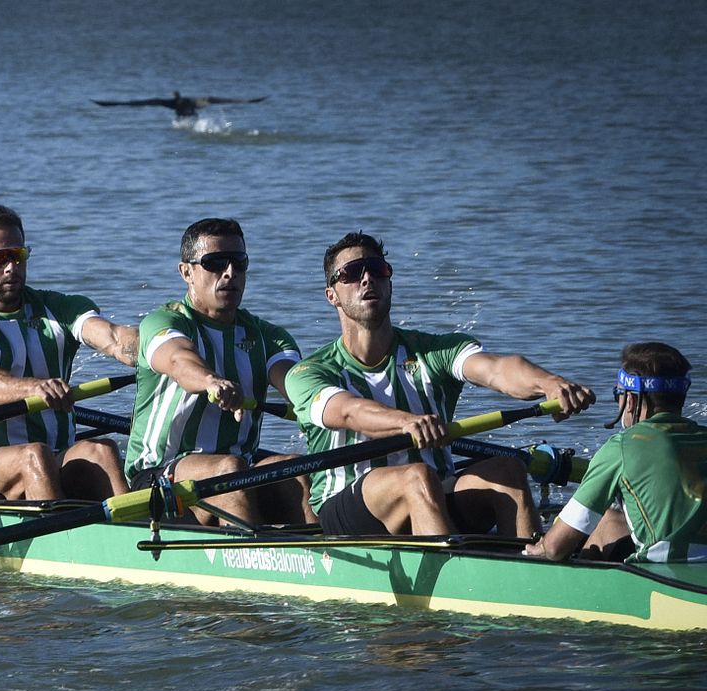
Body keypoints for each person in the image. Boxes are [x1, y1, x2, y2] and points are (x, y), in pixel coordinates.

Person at [286, 231, 595, 537]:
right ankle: (455, 578)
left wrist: (550, 384)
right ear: (332, 296)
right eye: (352, 273)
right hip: (347, 505)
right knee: (416, 477)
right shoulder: (309, 372)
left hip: (431, 491)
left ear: (389, 282)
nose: (367, 279)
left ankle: (530, 571)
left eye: (377, 270)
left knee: (508, 470)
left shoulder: (433, 352)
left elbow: (498, 369)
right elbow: (348, 412)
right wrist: (407, 422)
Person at [0, 205, 139, 502]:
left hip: (52, 458)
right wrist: (34, 387)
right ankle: (57, 547)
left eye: (17, 256)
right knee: (34, 455)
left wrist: (158, 353)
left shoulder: (59, 309)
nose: (10, 267)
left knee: (102, 450)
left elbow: (113, 338)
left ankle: (135, 540)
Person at [124, 218, 312, 526]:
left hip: (237, 470)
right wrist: (212, 382)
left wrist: (329, 404)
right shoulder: (165, 323)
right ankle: (249, 561)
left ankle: (321, 557)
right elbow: (179, 362)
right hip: (158, 477)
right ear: (187, 272)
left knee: (296, 469)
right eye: (214, 263)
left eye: (239, 262)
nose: (230, 273)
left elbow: (294, 382)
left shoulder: (269, 337)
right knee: (229, 469)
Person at [526, 342, 706, 563]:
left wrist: (539, 547)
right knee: (611, 518)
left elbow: (554, 548)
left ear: (629, 400)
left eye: (617, 395)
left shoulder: (622, 446)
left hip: (663, 577)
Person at [91, 91, 267, 118]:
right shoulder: (198, 101)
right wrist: (250, 101)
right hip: (192, 113)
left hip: (186, 115)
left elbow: (131, 103)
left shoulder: (169, 103)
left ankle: (106, 104)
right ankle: (106, 104)